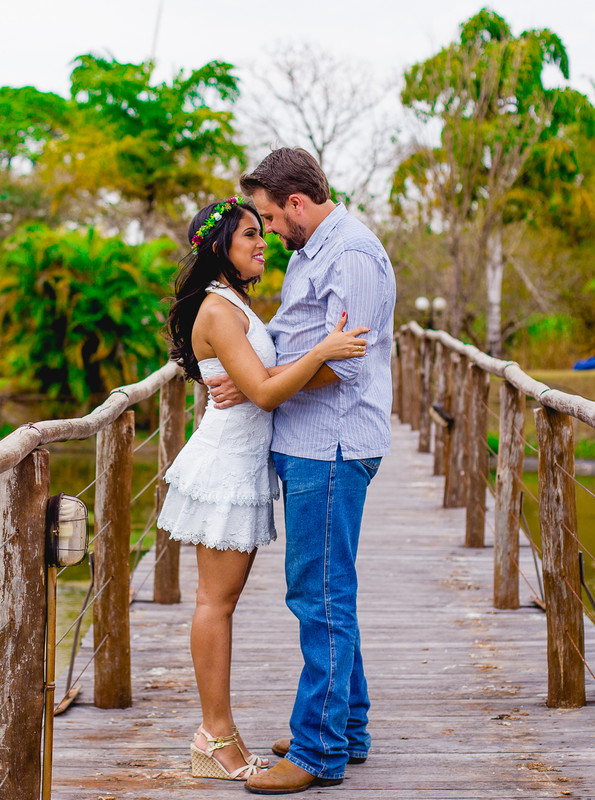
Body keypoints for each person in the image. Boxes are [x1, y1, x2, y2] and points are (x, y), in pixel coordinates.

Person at [156, 195, 370, 782]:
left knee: (220, 603)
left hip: (246, 466)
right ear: (218, 246)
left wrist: (254, 380)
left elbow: (258, 381)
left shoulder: (233, 304)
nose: (262, 242)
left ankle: (226, 731)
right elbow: (267, 393)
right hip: (226, 469)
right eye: (250, 234)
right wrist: (321, 351)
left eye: (262, 231)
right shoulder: (219, 311)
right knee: (215, 604)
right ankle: (214, 735)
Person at [205, 148, 396, 795]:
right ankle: (347, 726)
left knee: (319, 596)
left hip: (333, 447)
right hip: (311, 443)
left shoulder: (351, 255)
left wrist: (261, 385)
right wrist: (250, 375)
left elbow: (345, 363)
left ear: (294, 203)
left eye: (266, 216)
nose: (267, 230)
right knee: (328, 589)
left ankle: (318, 751)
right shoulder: (317, 252)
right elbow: (300, 338)